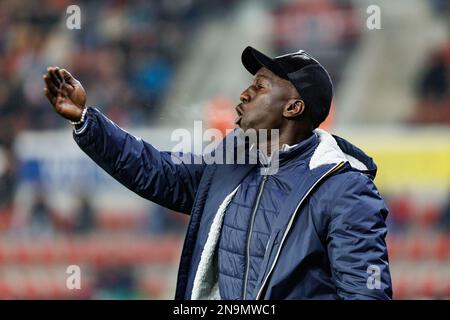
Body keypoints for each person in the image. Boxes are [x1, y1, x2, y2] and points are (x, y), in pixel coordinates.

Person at [43, 46, 392, 300]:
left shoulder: (344, 188)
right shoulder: (230, 164)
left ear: (294, 106)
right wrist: (85, 119)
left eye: (260, 86)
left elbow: (366, 293)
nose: (244, 92)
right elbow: (156, 171)